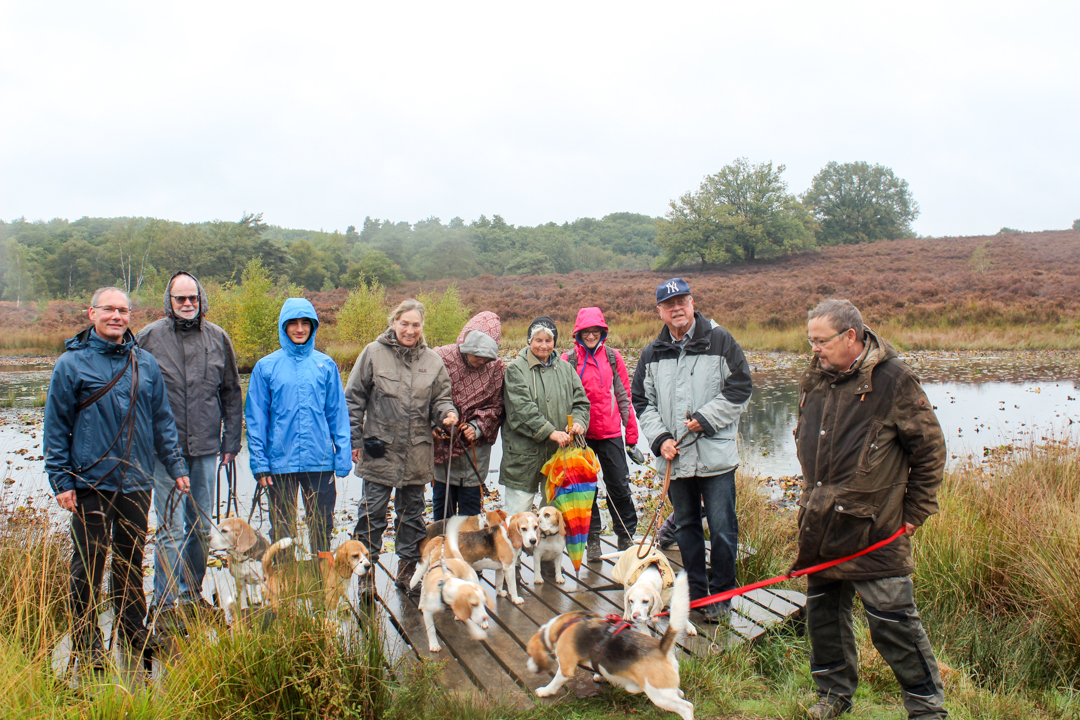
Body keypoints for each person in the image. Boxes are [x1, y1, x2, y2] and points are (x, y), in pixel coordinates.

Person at [793, 299, 947, 720]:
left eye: (821, 341)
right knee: (823, 618)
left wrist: (914, 512)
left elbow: (930, 450)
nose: (815, 349)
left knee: (894, 624)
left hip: (876, 528)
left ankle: (927, 708)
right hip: (821, 522)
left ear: (850, 337)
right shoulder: (815, 378)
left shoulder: (895, 379)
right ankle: (833, 696)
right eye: (811, 340)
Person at [44, 287, 190, 671]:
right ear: (91, 313)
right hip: (90, 483)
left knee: (130, 562)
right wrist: (61, 480)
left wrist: (176, 468)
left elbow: (163, 422)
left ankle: (131, 632)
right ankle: (86, 643)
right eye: (109, 309)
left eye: (123, 310)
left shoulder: (146, 363)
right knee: (87, 565)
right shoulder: (71, 365)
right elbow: (56, 427)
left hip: (137, 482)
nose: (117, 316)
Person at [630, 278, 752, 623]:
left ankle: (723, 596)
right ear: (660, 311)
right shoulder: (652, 352)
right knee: (686, 528)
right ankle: (697, 597)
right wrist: (660, 439)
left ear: (692, 303)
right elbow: (642, 400)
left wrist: (704, 418)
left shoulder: (720, 340)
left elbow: (741, 387)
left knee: (723, 529)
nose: (676, 309)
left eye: (682, 301)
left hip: (716, 459)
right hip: (675, 458)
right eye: (669, 305)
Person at [136, 272, 243, 622]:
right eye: (180, 298)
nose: (186, 304)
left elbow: (230, 393)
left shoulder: (218, 338)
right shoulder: (149, 337)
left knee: (199, 526)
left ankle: (190, 594)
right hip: (163, 452)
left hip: (206, 449)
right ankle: (165, 606)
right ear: (169, 300)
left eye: (192, 298)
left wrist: (231, 443)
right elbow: (132, 392)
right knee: (170, 528)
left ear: (201, 299)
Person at [347, 299, 458, 594]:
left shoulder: (433, 361)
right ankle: (365, 574)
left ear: (422, 327)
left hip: (417, 451)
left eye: (415, 325)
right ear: (394, 322)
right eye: (404, 323)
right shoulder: (372, 353)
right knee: (371, 514)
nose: (409, 330)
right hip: (378, 450)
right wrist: (354, 440)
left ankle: (408, 570)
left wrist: (448, 414)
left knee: (412, 515)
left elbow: (442, 399)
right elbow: (353, 399)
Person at [245, 298, 352, 557]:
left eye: (305, 323)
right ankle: (284, 587)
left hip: (320, 461)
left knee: (322, 527)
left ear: (313, 327)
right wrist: (259, 463)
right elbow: (256, 418)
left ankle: (322, 586)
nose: (299, 329)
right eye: (292, 323)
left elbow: (337, 413)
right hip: (280, 463)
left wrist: (343, 455)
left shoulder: (325, 365)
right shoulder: (266, 367)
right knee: (282, 531)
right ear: (284, 327)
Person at [562, 307, 642, 558]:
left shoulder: (613, 356)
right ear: (578, 333)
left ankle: (626, 536)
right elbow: (563, 399)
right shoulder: (568, 360)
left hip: (610, 433)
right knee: (586, 490)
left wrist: (631, 439)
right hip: (580, 436)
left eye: (595, 331)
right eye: (586, 331)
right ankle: (592, 539)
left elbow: (624, 396)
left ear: (602, 331)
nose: (591, 335)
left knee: (619, 485)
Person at [499, 316, 590, 516]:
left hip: (558, 454)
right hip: (523, 457)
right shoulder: (515, 369)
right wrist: (550, 432)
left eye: (548, 341)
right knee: (518, 517)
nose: (543, 345)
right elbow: (521, 410)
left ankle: (548, 548)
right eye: (538, 340)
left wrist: (579, 423)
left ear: (554, 342)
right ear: (529, 341)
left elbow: (581, 402)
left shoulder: (566, 368)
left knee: (552, 516)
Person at [431, 311, 505, 521]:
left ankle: (468, 552)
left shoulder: (496, 367)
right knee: (442, 509)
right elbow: (424, 395)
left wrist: (478, 427)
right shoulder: (441, 357)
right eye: (476, 355)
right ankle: (443, 550)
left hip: (474, 448)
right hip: (442, 445)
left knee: (470, 513)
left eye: (486, 357)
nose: (480, 361)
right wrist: (433, 424)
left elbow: (497, 406)